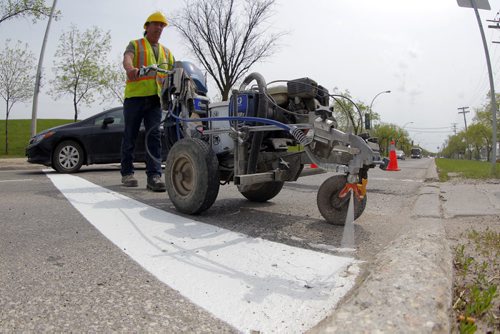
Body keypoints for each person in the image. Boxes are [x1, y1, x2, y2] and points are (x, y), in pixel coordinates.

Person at [120, 11, 175, 192]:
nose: (159, 28)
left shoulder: (167, 52)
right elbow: (127, 58)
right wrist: (131, 69)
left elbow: (174, 69)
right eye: (156, 24)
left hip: (154, 100)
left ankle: (154, 176)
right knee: (130, 136)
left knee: (154, 136)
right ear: (147, 26)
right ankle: (127, 173)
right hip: (134, 98)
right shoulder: (135, 45)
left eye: (162, 25)